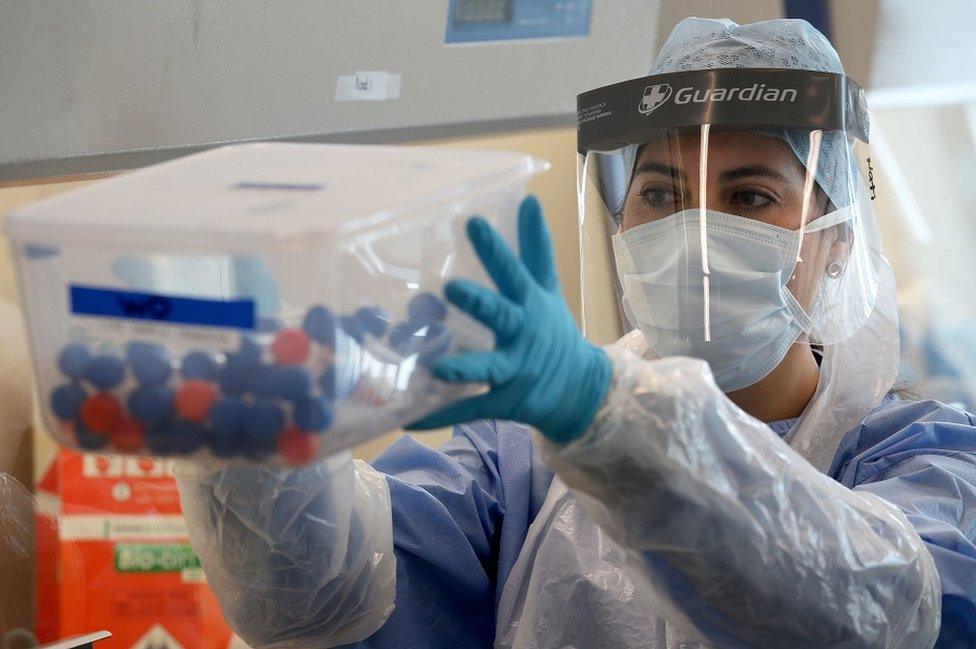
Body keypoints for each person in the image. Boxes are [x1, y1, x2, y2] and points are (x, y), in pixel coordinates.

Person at [175, 18, 976, 648]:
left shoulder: (927, 462)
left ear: (836, 242)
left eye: (750, 197)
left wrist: (604, 415)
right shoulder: (520, 456)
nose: (695, 233)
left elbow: (873, 611)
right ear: (622, 223)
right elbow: (317, 604)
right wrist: (258, 453)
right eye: (660, 192)